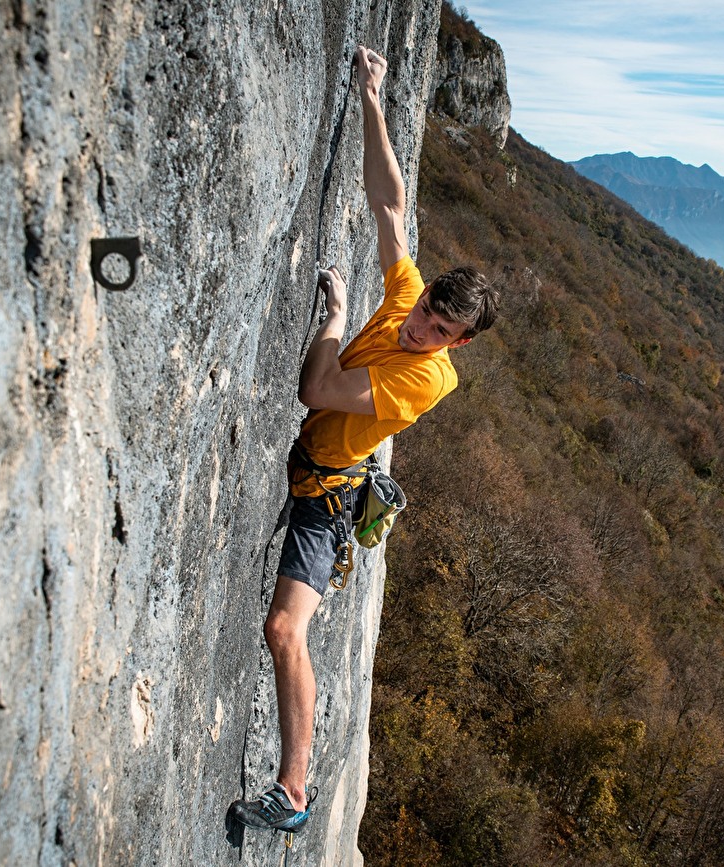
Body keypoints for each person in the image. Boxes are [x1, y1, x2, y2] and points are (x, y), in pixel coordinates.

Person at [228, 44, 500, 835]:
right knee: (285, 626)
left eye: (438, 330)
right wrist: (372, 97)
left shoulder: (428, 377)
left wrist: (338, 321)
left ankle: (294, 791)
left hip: (328, 493)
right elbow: (389, 204)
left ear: (460, 343)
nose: (418, 329)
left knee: (285, 629)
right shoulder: (412, 296)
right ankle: (294, 786)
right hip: (317, 466)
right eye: (423, 315)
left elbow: (314, 388)